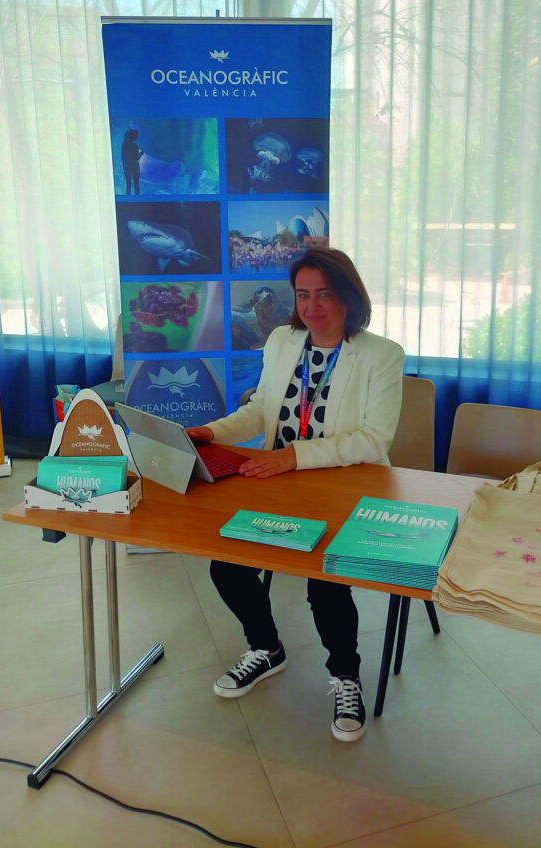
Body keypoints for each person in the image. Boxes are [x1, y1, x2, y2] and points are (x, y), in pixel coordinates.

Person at [186, 247, 404, 742]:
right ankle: (266, 649)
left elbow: (374, 440)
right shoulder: (283, 340)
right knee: (226, 566)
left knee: (325, 584)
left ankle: (346, 676)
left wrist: (294, 456)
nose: (312, 306)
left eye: (325, 294)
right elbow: (261, 409)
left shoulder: (382, 355)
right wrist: (212, 431)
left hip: (345, 487)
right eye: (303, 295)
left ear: (349, 296)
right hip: (278, 482)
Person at [121, 128, 143, 195]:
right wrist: (141, 153)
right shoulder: (135, 146)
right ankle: (137, 199)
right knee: (136, 184)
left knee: (128, 184)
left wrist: (124, 166)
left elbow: (122, 157)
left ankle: (128, 199)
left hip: (127, 166)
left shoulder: (124, 145)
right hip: (135, 167)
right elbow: (137, 157)